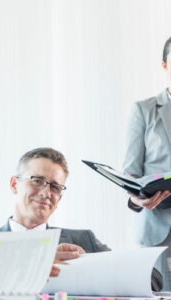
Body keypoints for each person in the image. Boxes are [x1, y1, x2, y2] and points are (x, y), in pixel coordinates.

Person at [0, 147, 162, 290]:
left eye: (55, 187)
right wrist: (38, 262)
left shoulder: (83, 241)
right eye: (37, 181)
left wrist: (88, 266)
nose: (45, 193)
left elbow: (152, 279)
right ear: (14, 184)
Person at [123, 36, 171, 291]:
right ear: (164, 66)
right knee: (159, 293)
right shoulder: (143, 110)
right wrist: (136, 199)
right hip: (156, 226)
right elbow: (130, 171)